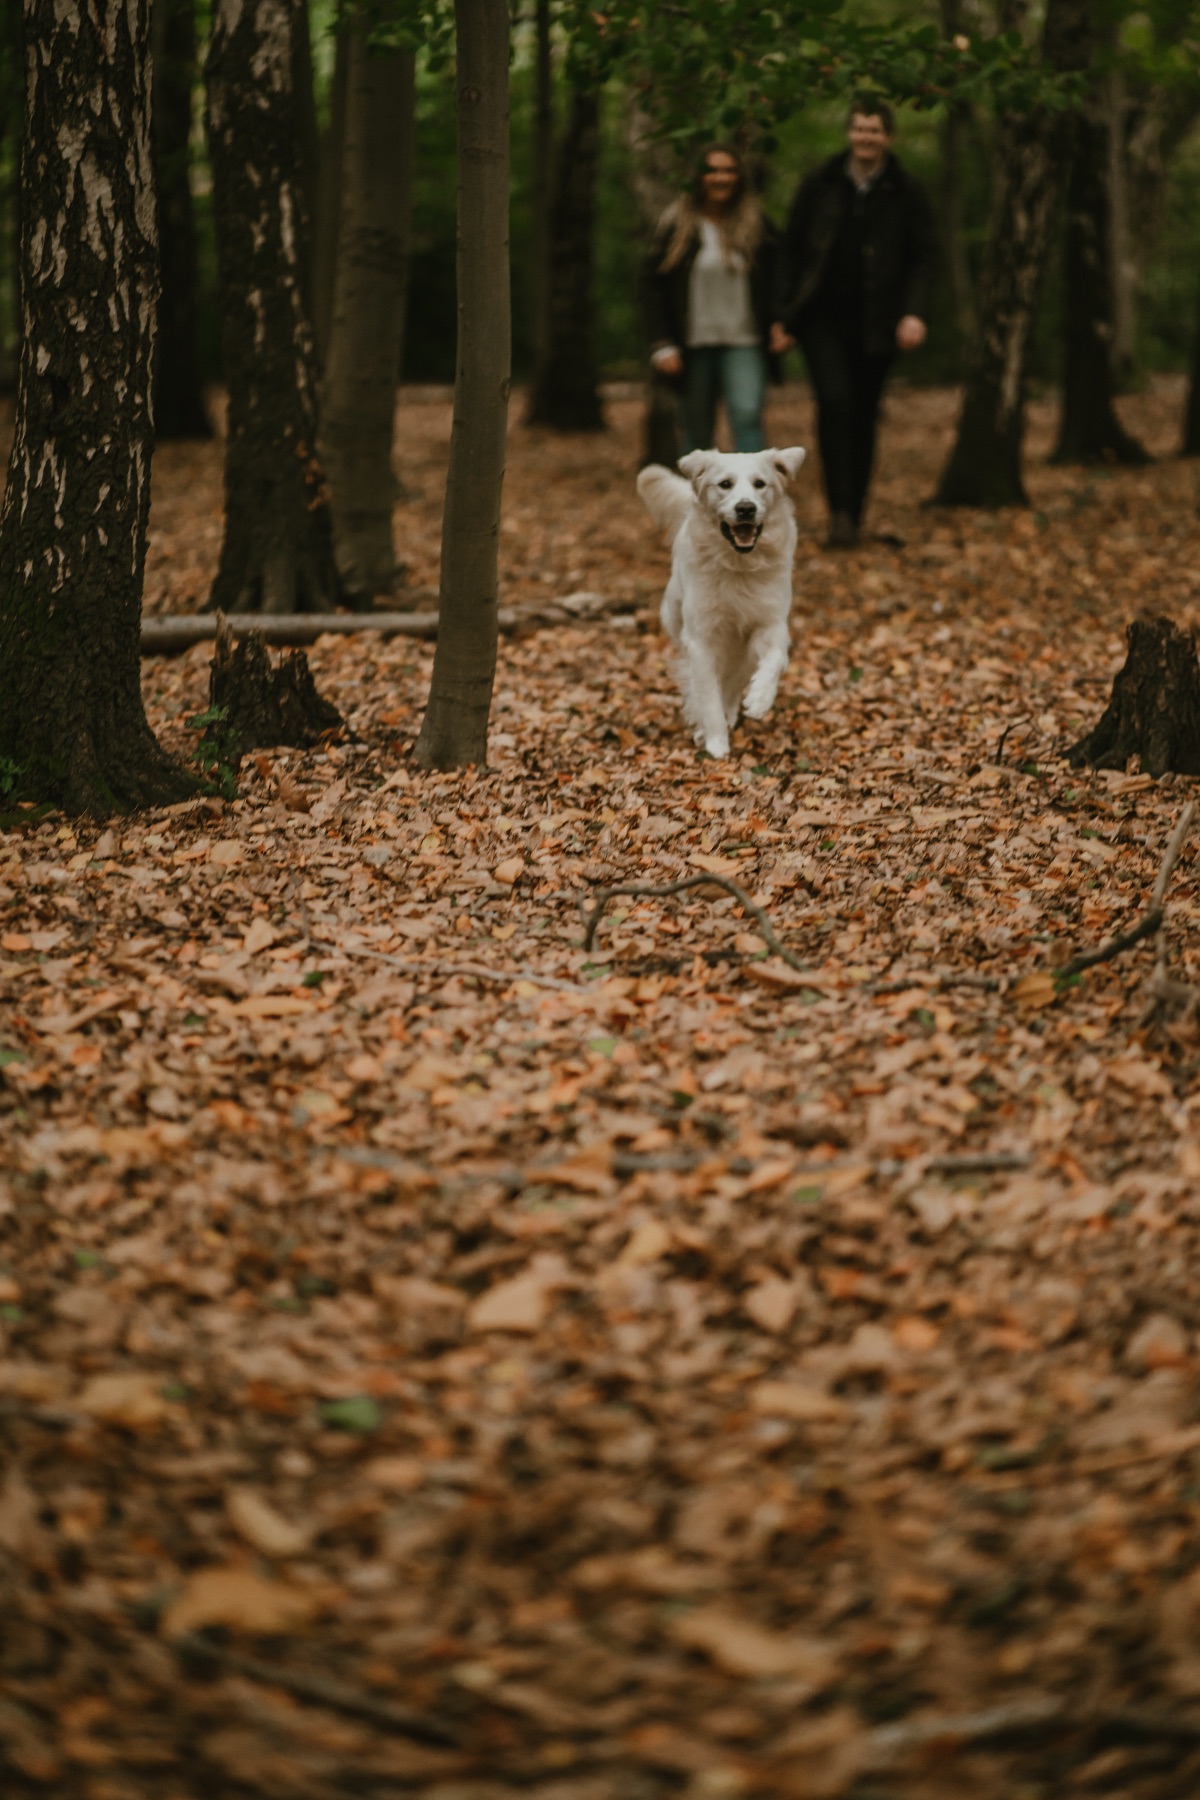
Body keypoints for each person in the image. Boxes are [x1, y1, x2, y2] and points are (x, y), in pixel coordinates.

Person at [772, 98, 936, 548]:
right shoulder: (820, 183)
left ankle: (853, 516)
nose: (867, 138)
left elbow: (924, 258)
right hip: (823, 320)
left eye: (875, 131)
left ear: (888, 137)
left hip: (880, 324)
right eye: (860, 129)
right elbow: (792, 251)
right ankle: (838, 513)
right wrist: (784, 316)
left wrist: (914, 312)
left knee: (863, 417)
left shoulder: (906, 190)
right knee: (834, 402)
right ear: (849, 133)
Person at [643, 143, 781, 456]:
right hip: (691, 344)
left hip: (745, 340)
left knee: (747, 415)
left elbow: (780, 278)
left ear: (740, 178)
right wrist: (660, 342)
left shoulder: (758, 225)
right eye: (713, 170)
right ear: (700, 178)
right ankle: (696, 502)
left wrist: (781, 322)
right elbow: (651, 286)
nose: (722, 178)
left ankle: (752, 498)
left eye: (729, 170)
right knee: (696, 428)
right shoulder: (676, 225)